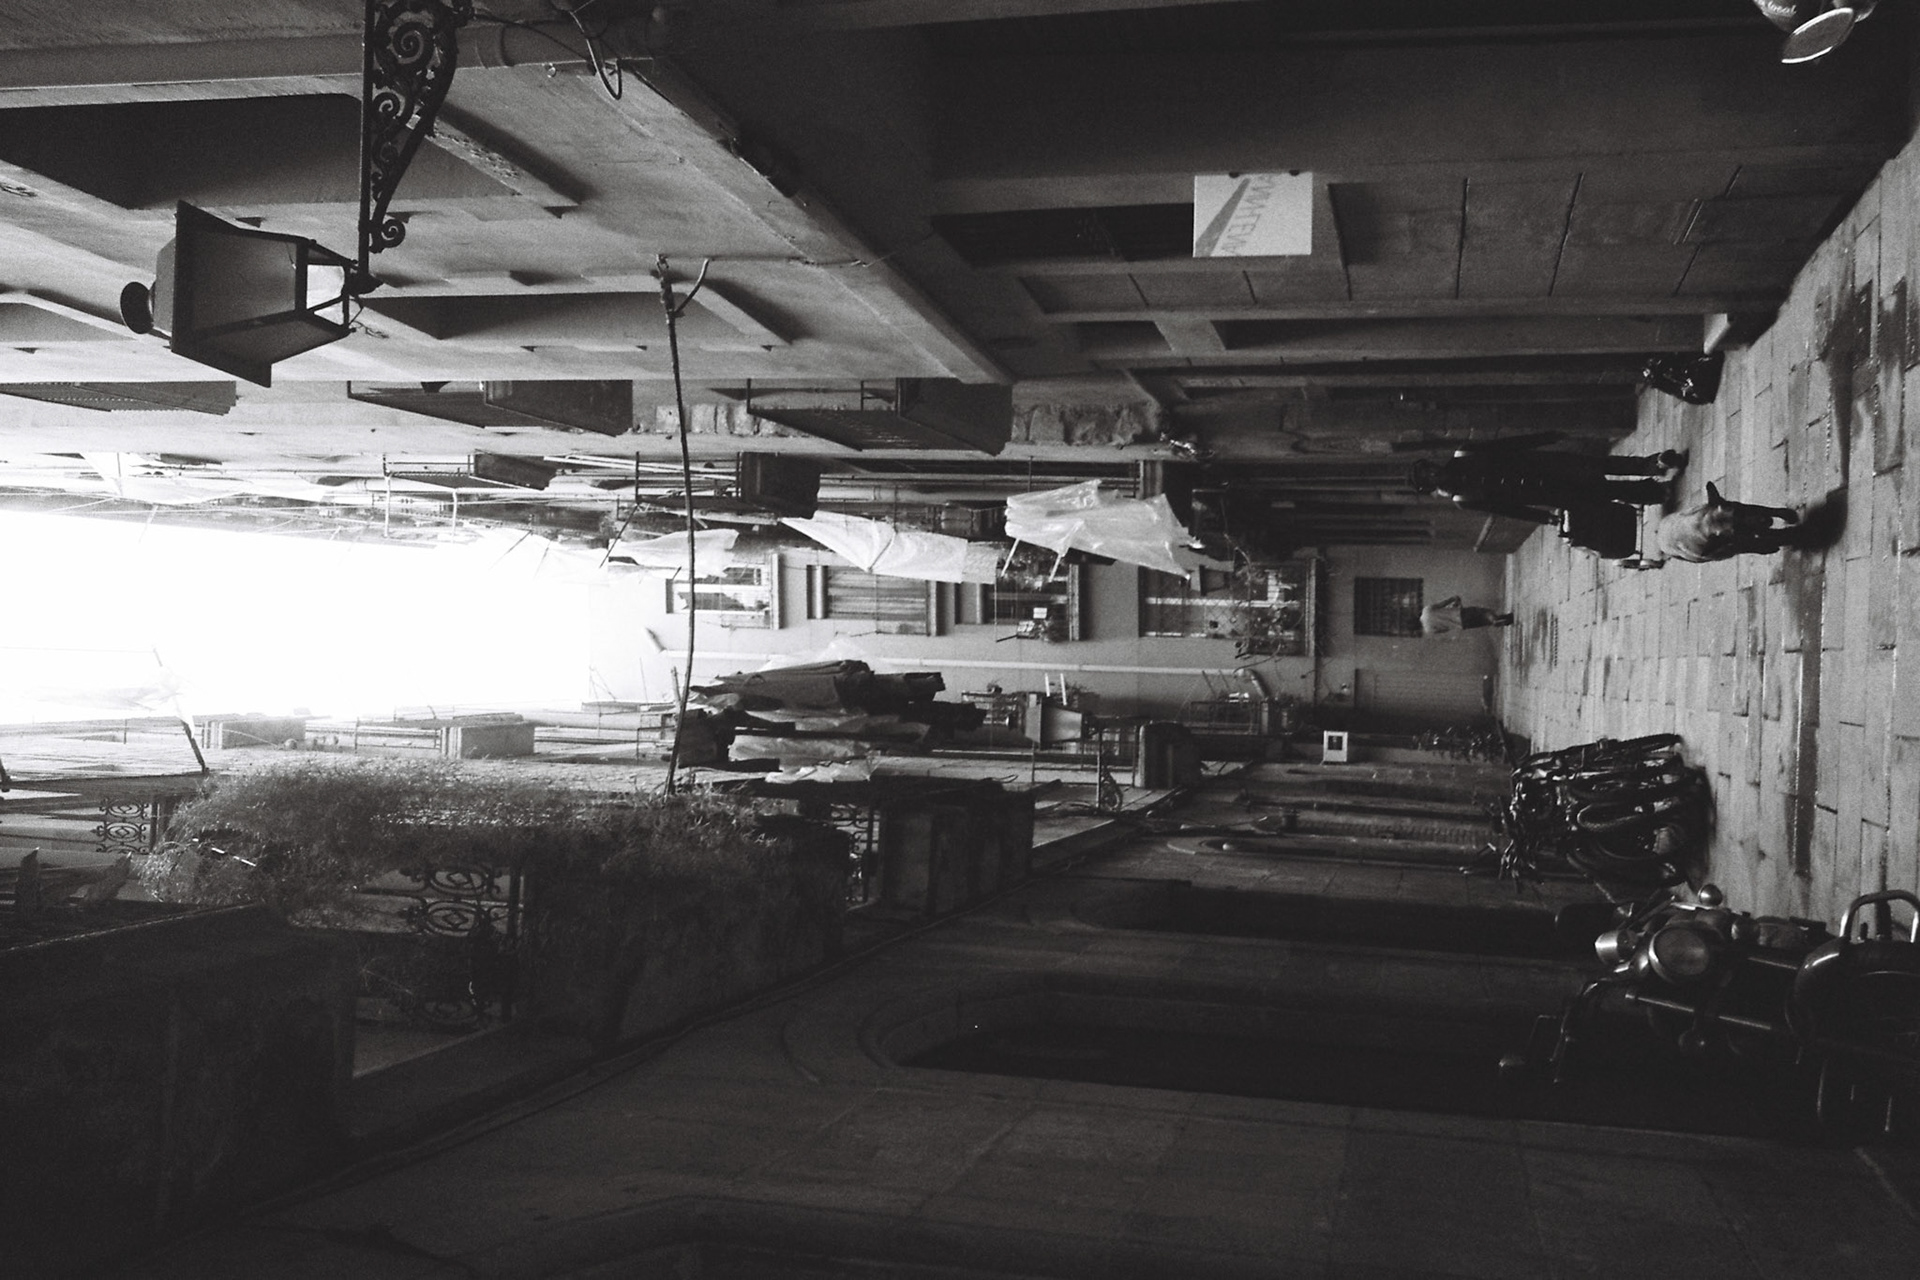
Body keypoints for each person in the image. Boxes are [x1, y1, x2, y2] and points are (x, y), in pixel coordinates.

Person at [1407, 444, 1685, 525]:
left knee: (1598, 465)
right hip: (1540, 491)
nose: (1433, 472)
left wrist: (1544, 438)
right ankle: (1655, 491)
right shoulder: (1463, 499)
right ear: (1430, 487)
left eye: (1429, 467)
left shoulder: (1463, 454)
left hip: (1541, 464)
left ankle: (1653, 464)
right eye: (1428, 477)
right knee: (1600, 492)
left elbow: (1508, 446)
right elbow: (1505, 508)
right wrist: (1543, 518)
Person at [1419, 596, 1513, 636]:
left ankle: (1507, 619)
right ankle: (1497, 620)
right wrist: (1453, 599)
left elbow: (1445, 629)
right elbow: (1442, 604)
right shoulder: (1426, 611)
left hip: (1462, 625)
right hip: (1460, 613)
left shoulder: (1428, 630)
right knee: (1484, 612)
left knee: (1483, 621)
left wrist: (1449, 621)